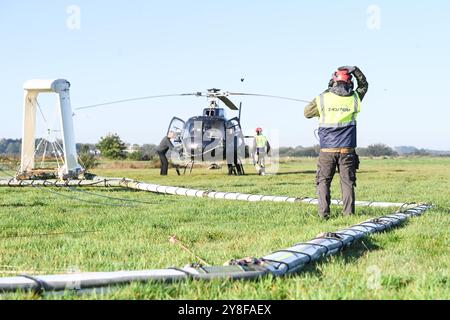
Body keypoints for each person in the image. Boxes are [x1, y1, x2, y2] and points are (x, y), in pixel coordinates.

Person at [304, 66, 368, 219]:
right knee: (347, 183)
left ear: (333, 81)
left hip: (327, 151)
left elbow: (307, 113)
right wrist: (356, 70)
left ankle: (324, 215)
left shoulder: (322, 98)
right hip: (347, 151)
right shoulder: (355, 98)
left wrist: (327, 90)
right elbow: (364, 85)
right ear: (350, 82)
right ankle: (348, 215)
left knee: (323, 182)